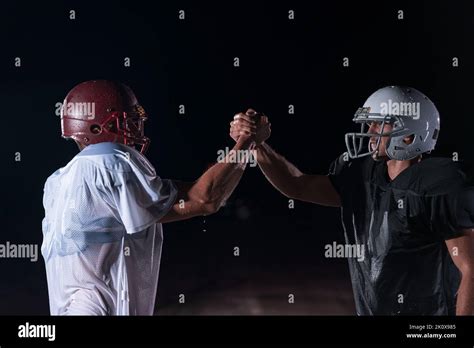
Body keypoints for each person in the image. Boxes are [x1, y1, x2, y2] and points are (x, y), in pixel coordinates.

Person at [230, 86, 474, 315]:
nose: (369, 131)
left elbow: (471, 269)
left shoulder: (440, 186)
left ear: (408, 137)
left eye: (378, 125)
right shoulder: (361, 175)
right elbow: (296, 185)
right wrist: (256, 145)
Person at [41, 80, 256, 315]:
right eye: (126, 122)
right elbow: (205, 199)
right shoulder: (111, 161)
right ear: (96, 128)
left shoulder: (57, 181)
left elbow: (202, 191)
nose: (135, 129)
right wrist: (247, 140)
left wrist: (242, 147)